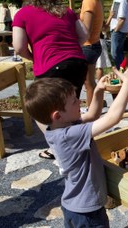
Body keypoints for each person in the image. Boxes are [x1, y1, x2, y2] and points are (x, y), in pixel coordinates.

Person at [24, 67, 128, 227]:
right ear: (58, 115)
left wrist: (98, 91)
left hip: (75, 207)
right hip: (87, 212)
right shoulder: (69, 135)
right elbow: (112, 118)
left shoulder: (58, 128)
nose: (79, 102)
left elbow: (92, 115)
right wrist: (127, 85)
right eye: (75, 101)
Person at [12, 0, 89, 159]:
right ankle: (78, 142)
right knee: (69, 106)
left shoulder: (23, 13)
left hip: (50, 65)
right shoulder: (65, 11)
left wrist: (34, 57)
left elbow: (18, 46)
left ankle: (58, 148)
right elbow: (84, 35)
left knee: (39, 108)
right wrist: (69, 49)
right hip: (77, 63)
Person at [80, 0, 104, 107]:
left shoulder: (89, 2)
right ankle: (94, 108)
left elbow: (87, 31)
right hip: (93, 44)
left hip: (88, 46)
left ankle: (91, 111)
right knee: (90, 82)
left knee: (88, 83)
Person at [105, 0, 128, 70]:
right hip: (116, 30)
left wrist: (116, 30)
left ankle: (120, 71)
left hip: (119, 31)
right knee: (118, 52)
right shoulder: (116, 1)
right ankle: (122, 71)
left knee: (115, 53)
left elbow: (122, 19)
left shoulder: (122, 1)